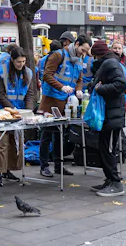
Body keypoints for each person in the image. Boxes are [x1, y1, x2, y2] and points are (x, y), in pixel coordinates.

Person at [38, 32, 90, 178]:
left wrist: (79, 90)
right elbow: (47, 75)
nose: (84, 54)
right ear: (77, 44)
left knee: (60, 135)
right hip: (51, 100)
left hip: (66, 101)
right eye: (83, 50)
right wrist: (61, 86)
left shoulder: (78, 59)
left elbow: (79, 78)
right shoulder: (58, 55)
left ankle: (58, 166)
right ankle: (44, 166)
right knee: (47, 134)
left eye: (86, 52)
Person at [88, 40, 126, 197]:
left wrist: (100, 89)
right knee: (104, 148)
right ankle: (109, 180)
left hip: (112, 114)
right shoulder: (108, 63)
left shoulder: (110, 63)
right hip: (109, 114)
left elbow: (121, 84)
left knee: (109, 149)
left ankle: (116, 182)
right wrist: (94, 85)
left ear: (98, 54)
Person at [0, 46, 34, 185]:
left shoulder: (28, 72)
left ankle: (8, 170)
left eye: (23, 61)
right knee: (2, 144)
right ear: (12, 60)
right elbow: (0, 94)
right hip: (3, 113)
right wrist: (11, 108)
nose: (21, 64)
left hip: (20, 113)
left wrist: (28, 110)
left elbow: (29, 94)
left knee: (15, 143)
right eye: (18, 62)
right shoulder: (2, 71)